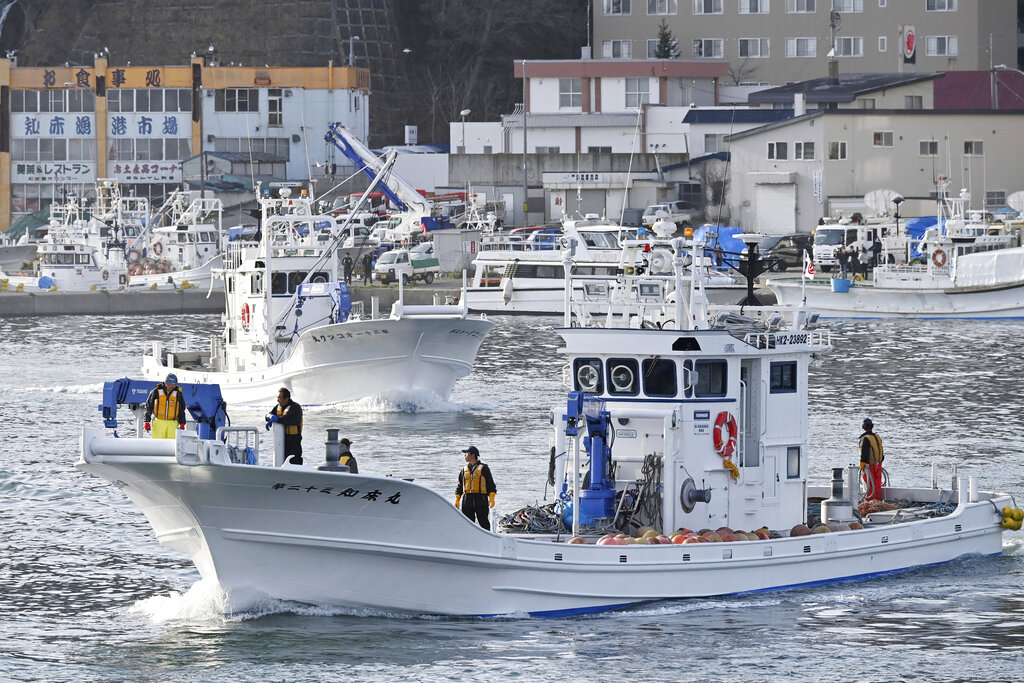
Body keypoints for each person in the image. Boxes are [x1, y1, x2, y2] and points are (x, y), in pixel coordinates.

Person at [455, 445, 497, 530]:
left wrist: (492, 497)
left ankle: (487, 539)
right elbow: (460, 486)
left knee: (483, 522)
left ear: (472, 455)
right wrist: (457, 498)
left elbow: (490, 484)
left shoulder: (484, 468)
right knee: (467, 524)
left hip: (481, 500)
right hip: (467, 500)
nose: (464, 456)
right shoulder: (464, 470)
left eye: (466, 453)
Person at [267, 387, 303, 465]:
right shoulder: (278, 406)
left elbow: (287, 418)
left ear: (286, 399)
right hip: (282, 441)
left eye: (279, 398)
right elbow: (268, 414)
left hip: (293, 442)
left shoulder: (295, 408)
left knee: (294, 463)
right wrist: (269, 417)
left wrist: (277, 419)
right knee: (281, 462)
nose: (277, 400)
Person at [144, 373, 186, 439]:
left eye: (174, 384)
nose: (173, 386)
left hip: (173, 423)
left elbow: (181, 409)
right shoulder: (156, 392)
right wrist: (147, 421)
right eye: (171, 384)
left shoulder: (178, 394)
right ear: (166, 383)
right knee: (157, 444)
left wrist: (182, 422)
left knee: (172, 445)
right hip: (159, 423)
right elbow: (149, 406)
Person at [859, 418, 885, 501]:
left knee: (869, 486)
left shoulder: (865, 439)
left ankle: (870, 503)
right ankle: (877, 502)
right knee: (877, 486)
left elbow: (864, 454)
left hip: (869, 467)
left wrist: (862, 465)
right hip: (878, 465)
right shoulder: (877, 437)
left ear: (863, 427)